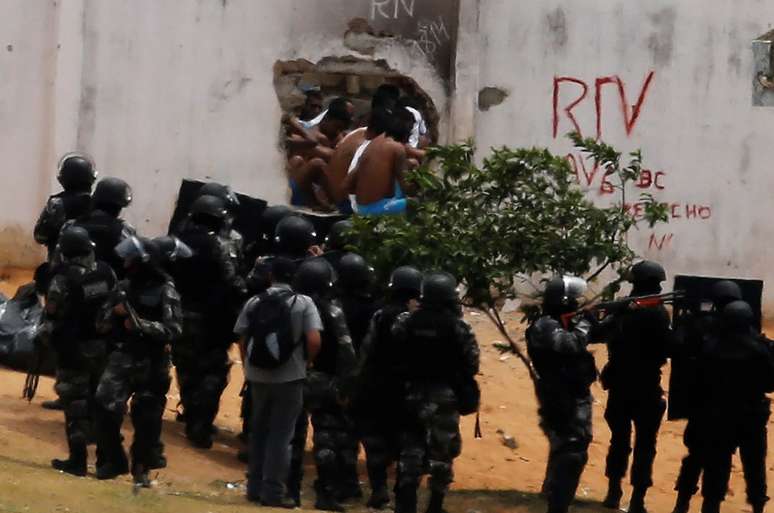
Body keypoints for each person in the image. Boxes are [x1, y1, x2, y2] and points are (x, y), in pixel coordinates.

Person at [93, 236, 183, 486]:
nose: (127, 263)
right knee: (104, 404)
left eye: (132, 259)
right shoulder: (122, 288)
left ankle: (141, 468)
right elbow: (100, 324)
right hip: (124, 356)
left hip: (153, 361)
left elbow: (173, 329)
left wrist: (141, 324)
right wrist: (113, 313)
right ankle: (112, 460)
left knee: (147, 418)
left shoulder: (166, 290)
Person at [234, 257, 322, 508]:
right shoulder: (304, 303)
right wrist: (306, 363)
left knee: (258, 431)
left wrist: (249, 368)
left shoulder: (254, 301)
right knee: (281, 436)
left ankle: (253, 488)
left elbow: (242, 338)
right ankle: (272, 493)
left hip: (257, 376)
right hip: (290, 376)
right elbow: (314, 341)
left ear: (270, 276)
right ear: (294, 278)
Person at [391, 272, 480, 513]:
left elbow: (395, 353)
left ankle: (406, 503)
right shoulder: (459, 327)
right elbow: (472, 363)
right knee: (443, 451)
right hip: (445, 396)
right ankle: (435, 505)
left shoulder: (405, 321)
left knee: (411, 448)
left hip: (411, 394)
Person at [591, 261, 671, 513]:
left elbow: (597, 333)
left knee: (620, 441)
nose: (659, 288)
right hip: (646, 385)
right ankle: (637, 498)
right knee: (645, 445)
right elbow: (666, 347)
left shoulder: (624, 310)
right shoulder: (656, 313)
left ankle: (614, 492)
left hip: (620, 385)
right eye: (656, 284)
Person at [43, 227, 117, 476]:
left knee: (75, 404)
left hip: (73, 349)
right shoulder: (105, 271)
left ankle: (77, 461)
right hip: (104, 348)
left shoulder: (63, 277)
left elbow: (52, 310)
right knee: (101, 404)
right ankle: (105, 461)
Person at [173, 194, 246, 448]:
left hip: (180, 316)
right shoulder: (220, 246)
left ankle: (191, 411)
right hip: (212, 320)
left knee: (186, 368)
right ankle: (200, 423)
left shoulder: (177, 242)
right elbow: (233, 282)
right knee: (213, 372)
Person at [671, 280, 744, 513]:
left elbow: (680, 354)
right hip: (728, 412)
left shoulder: (699, 328)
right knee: (720, 463)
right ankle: (709, 507)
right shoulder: (742, 336)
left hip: (701, 407)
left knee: (694, 459)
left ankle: (681, 504)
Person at [694, 300, 774, 513]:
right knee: (755, 467)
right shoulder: (760, 349)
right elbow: (770, 383)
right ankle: (758, 506)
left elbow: (700, 380)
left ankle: (710, 506)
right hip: (752, 417)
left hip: (719, 415)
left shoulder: (711, 346)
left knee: (716, 467)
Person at [354, 265, 423, 509]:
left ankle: (379, 489)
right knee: (406, 443)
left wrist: (357, 382)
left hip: (379, 386)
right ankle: (403, 492)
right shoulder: (421, 317)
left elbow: (367, 350)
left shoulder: (382, 315)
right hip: (409, 390)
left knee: (375, 441)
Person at [526, 276, 596, 513]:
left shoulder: (561, 323)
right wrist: (585, 322)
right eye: (575, 299)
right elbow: (569, 345)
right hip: (560, 398)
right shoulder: (545, 325)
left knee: (573, 452)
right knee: (570, 454)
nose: (578, 303)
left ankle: (558, 502)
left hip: (572, 395)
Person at [293, 258, 359, 511]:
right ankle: (326, 493)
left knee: (293, 434)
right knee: (327, 439)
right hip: (325, 380)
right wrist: (347, 385)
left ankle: (290, 489)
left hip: (293, 377)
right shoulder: (332, 310)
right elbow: (346, 349)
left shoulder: (293, 306)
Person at [345, 108, 416, 216]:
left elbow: (347, 184)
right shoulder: (397, 148)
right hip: (374, 210)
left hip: (360, 207)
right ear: (405, 132)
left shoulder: (374, 142)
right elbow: (406, 188)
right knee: (416, 203)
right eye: (410, 132)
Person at [287, 98, 354, 209]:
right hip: (295, 188)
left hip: (315, 190)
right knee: (314, 163)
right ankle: (341, 204)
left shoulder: (338, 137)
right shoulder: (308, 134)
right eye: (336, 127)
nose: (338, 132)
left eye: (341, 128)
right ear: (326, 118)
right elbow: (332, 156)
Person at [67, 177, 135, 276]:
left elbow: (58, 259)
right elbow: (132, 261)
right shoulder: (124, 229)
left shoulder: (71, 225)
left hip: (74, 284)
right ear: (119, 207)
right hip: (112, 286)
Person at [34, 153, 96, 261]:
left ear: (64, 179)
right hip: (94, 266)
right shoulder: (99, 203)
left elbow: (40, 236)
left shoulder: (57, 203)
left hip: (60, 264)